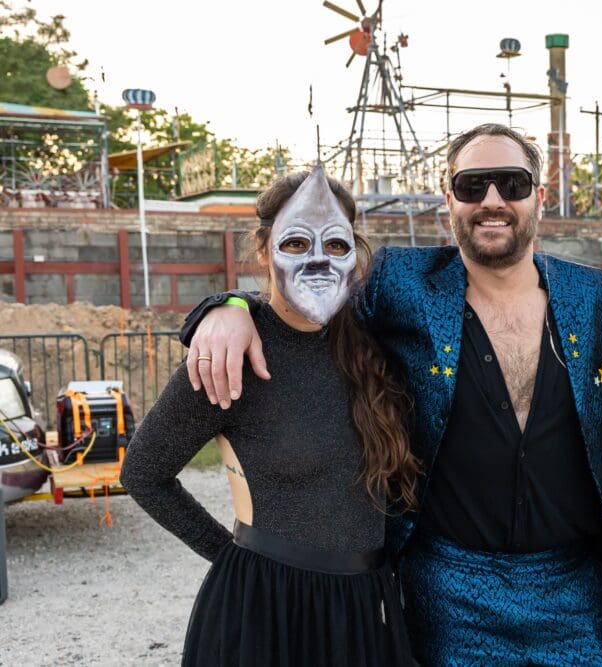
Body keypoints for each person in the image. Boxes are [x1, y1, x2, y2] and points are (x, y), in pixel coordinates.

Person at [180, 123, 602, 665]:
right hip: (447, 588)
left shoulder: (596, 297)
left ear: (539, 196)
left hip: (573, 590)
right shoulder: (402, 281)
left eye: (511, 183)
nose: (492, 201)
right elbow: (306, 293)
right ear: (448, 198)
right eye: (472, 186)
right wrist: (229, 307)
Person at [120, 166, 419, 666]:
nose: (319, 259)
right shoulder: (234, 349)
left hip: (365, 610)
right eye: (297, 243)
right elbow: (144, 473)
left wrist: (224, 301)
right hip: (267, 616)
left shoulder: (375, 337)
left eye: (337, 246)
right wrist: (236, 563)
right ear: (264, 249)